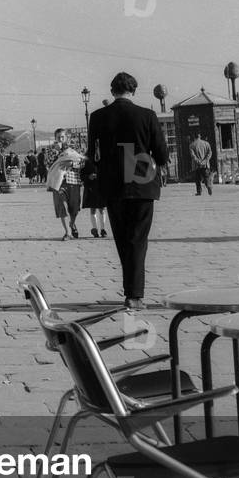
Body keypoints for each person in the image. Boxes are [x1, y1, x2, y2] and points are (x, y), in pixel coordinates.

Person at [87, 71, 169, 311]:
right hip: (142, 180)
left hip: (113, 183)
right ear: (134, 91)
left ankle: (131, 290)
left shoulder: (98, 117)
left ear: (112, 91)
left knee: (123, 238)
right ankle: (134, 294)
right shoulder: (147, 115)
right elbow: (162, 155)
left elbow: (93, 153)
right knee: (138, 239)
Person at [43, 128, 85, 240]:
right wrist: (57, 153)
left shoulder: (75, 148)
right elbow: (47, 164)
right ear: (55, 138)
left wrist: (71, 163)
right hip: (58, 182)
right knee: (62, 206)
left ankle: (72, 224)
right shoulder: (50, 149)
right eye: (58, 137)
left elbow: (82, 162)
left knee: (75, 209)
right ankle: (67, 232)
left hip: (74, 181)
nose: (60, 139)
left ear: (66, 137)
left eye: (62, 137)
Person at [80, 155, 108, 238]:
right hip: (91, 188)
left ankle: (103, 229)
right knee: (93, 209)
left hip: (101, 187)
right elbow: (81, 175)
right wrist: (88, 177)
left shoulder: (104, 161)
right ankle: (95, 229)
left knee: (102, 208)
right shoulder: (86, 162)